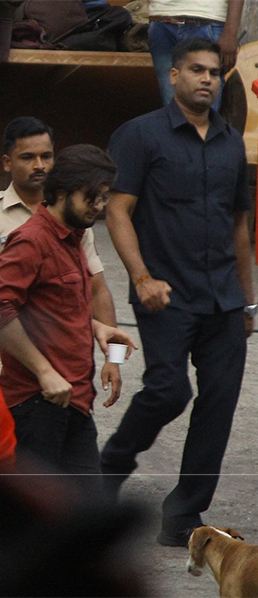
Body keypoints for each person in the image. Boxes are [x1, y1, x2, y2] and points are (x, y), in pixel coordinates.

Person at [101, 37, 256, 547]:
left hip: (223, 299)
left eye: (214, 72)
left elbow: (239, 225)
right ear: (174, 76)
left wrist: (247, 299)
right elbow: (118, 210)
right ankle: (110, 467)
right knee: (168, 390)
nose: (207, 79)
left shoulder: (233, 141)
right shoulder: (140, 136)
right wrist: (141, 278)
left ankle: (183, 516)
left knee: (219, 402)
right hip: (165, 293)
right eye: (196, 70)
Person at [0, 144, 137, 492]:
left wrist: (97, 328)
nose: (100, 206)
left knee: (84, 520)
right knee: (37, 525)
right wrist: (44, 372)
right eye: (92, 197)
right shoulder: (32, 241)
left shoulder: (75, 237)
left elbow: (60, 304)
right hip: (38, 404)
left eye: (104, 198)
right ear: (61, 192)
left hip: (75, 402)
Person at [1, 116, 126, 407]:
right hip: (16, 375)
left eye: (46, 156)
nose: (40, 166)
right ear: (8, 162)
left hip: (59, 381)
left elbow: (97, 290)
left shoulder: (74, 222)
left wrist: (114, 358)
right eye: (28, 157)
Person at [148, 0, 245, 107]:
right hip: (161, 19)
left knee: (205, 106)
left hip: (206, 19)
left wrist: (230, 33)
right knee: (171, 105)